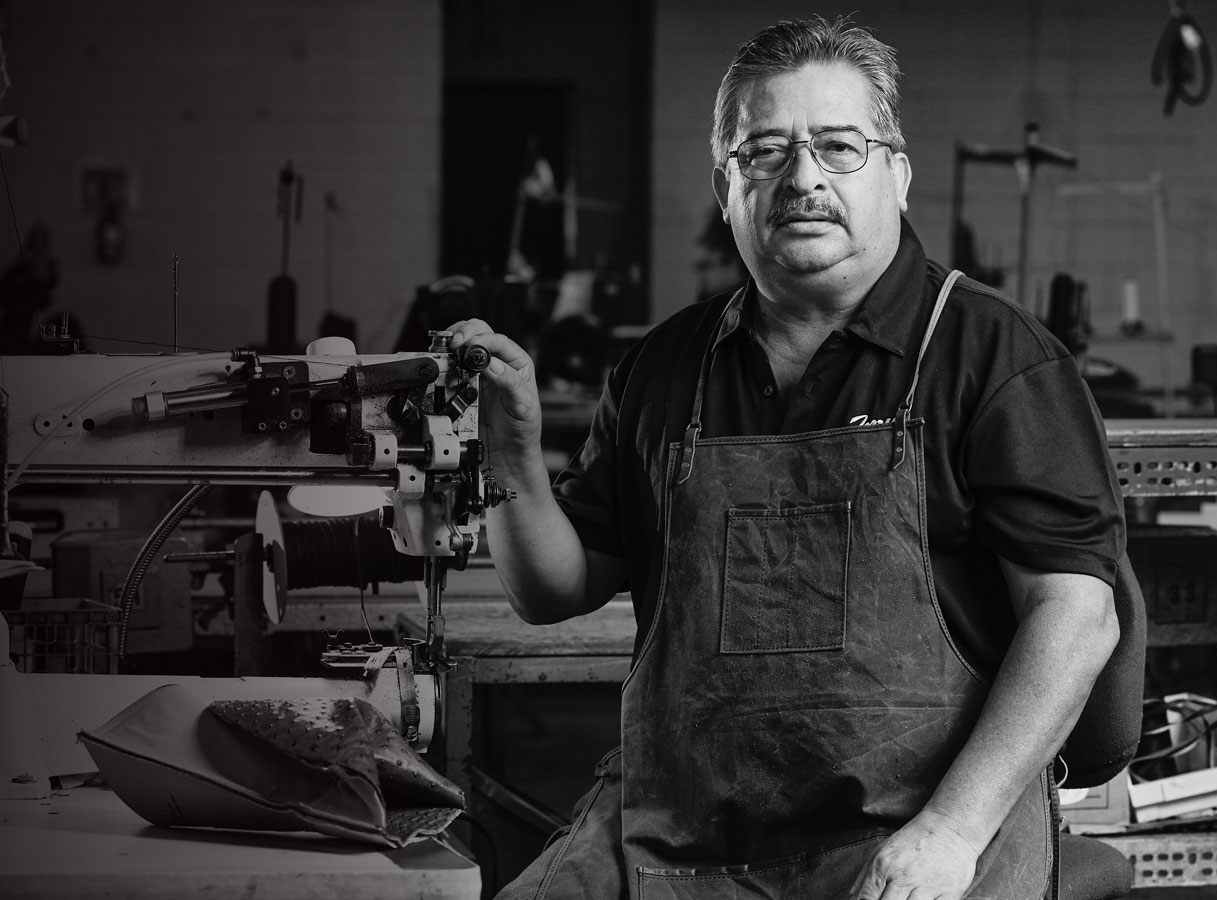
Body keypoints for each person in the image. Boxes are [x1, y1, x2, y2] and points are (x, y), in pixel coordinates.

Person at [449, 16, 1123, 900]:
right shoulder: (662, 370)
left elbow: (1077, 618)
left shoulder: (995, 358)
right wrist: (509, 449)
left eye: (840, 146)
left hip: (921, 833)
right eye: (766, 151)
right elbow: (552, 589)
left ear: (899, 175)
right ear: (726, 186)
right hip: (679, 839)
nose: (803, 177)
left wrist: (951, 832)